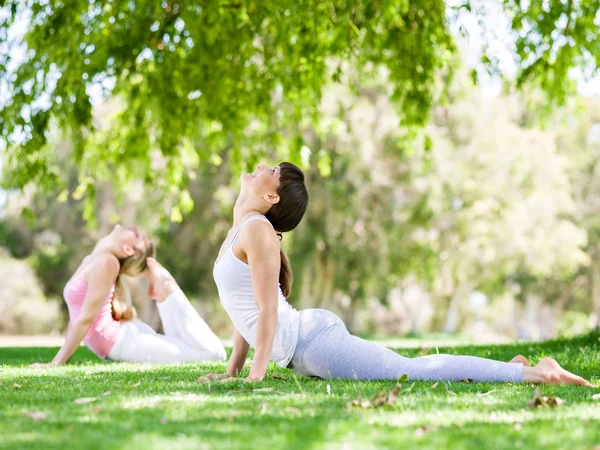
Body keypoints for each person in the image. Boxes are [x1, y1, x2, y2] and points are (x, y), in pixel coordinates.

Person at [197, 162, 591, 385]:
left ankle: (538, 374)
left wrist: (255, 378)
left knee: (410, 370)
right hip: (305, 340)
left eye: (273, 171)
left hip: (311, 343)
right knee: (407, 367)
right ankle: (515, 368)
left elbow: (267, 312)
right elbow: (245, 310)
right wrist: (232, 371)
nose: (263, 165)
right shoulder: (244, 230)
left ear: (271, 197)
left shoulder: (258, 231)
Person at [31, 224, 225, 366]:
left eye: (138, 235)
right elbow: (78, 317)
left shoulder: (108, 263)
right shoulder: (92, 260)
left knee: (214, 355)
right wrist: (58, 359)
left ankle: (168, 289)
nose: (133, 228)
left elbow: (85, 319)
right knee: (189, 349)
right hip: (125, 338)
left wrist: (55, 363)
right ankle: (165, 290)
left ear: (127, 249)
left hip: (125, 342)